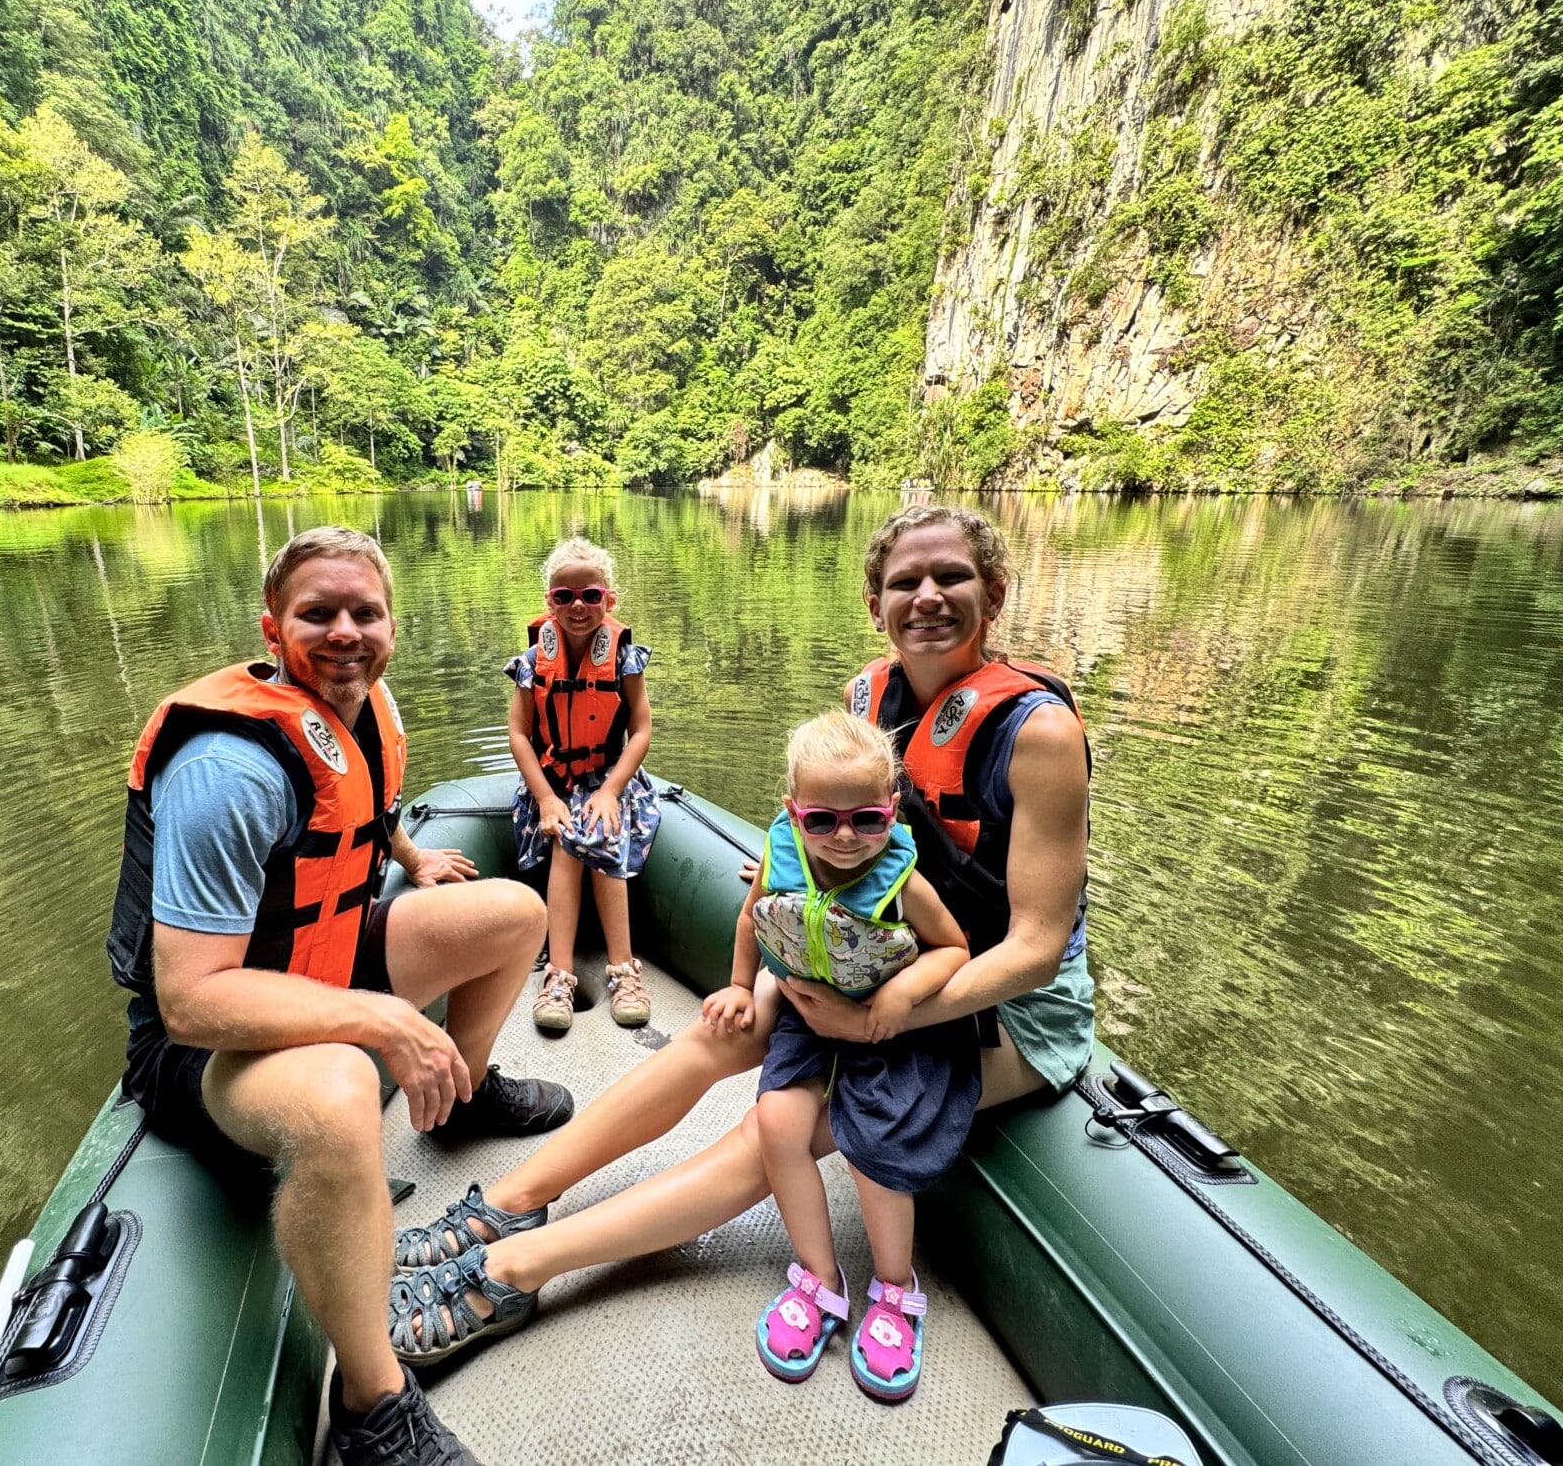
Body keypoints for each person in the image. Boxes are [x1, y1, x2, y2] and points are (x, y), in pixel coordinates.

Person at [386, 504, 1092, 1373]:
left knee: (777, 1127)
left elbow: (1037, 950)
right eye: (905, 581)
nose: (929, 597)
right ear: (877, 602)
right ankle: (512, 1199)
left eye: (952, 577)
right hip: (867, 958)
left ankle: (511, 1268)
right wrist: (773, 975)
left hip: (993, 1008)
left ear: (996, 591)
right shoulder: (868, 701)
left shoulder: (1040, 733)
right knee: (713, 1036)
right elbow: (818, 861)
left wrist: (880, 1019)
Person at [106, 526, 574, 1466]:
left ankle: (462, 1095)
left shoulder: (361, 705)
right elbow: (192, 1001)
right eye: (318, 614)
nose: (346, 631)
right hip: (200, 1037)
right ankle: (373, 1404)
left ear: (392, 623)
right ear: (273, 628)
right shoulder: (227, 768)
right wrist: (381, 1019)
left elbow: (363, 814)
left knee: (513, 914)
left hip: (322, 955)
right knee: (336, 1094)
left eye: (365, 612)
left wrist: (407, 857)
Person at [724, 711, 970, 1399]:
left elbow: (952, 948)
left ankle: (894, 1288)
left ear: (891, 809)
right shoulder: (779, 855)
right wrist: (741, 988)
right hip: (806, 1012)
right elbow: (752, 918)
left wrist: (901, 999)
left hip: (879, 1018)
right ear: (791, 812)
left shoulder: (903, 879)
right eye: (820, 820)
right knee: (777, 1124)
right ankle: (819, 1281)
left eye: (866, 819)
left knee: (873, 1138)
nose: (844, 837)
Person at [505, 537, 658, 1034]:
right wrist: (547, 797)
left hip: (609, 780)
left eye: (590, 596)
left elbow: (641, 729)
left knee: (599, 823)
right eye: (564, 597)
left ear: (608, 600)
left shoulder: (624, 657)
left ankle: (623, 969)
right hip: (550, 784)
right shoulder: (531, 662)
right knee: (571, 837)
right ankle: (559, 973)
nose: (577, 607)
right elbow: (519, 735)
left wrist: (611, 789)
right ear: (549, 601)